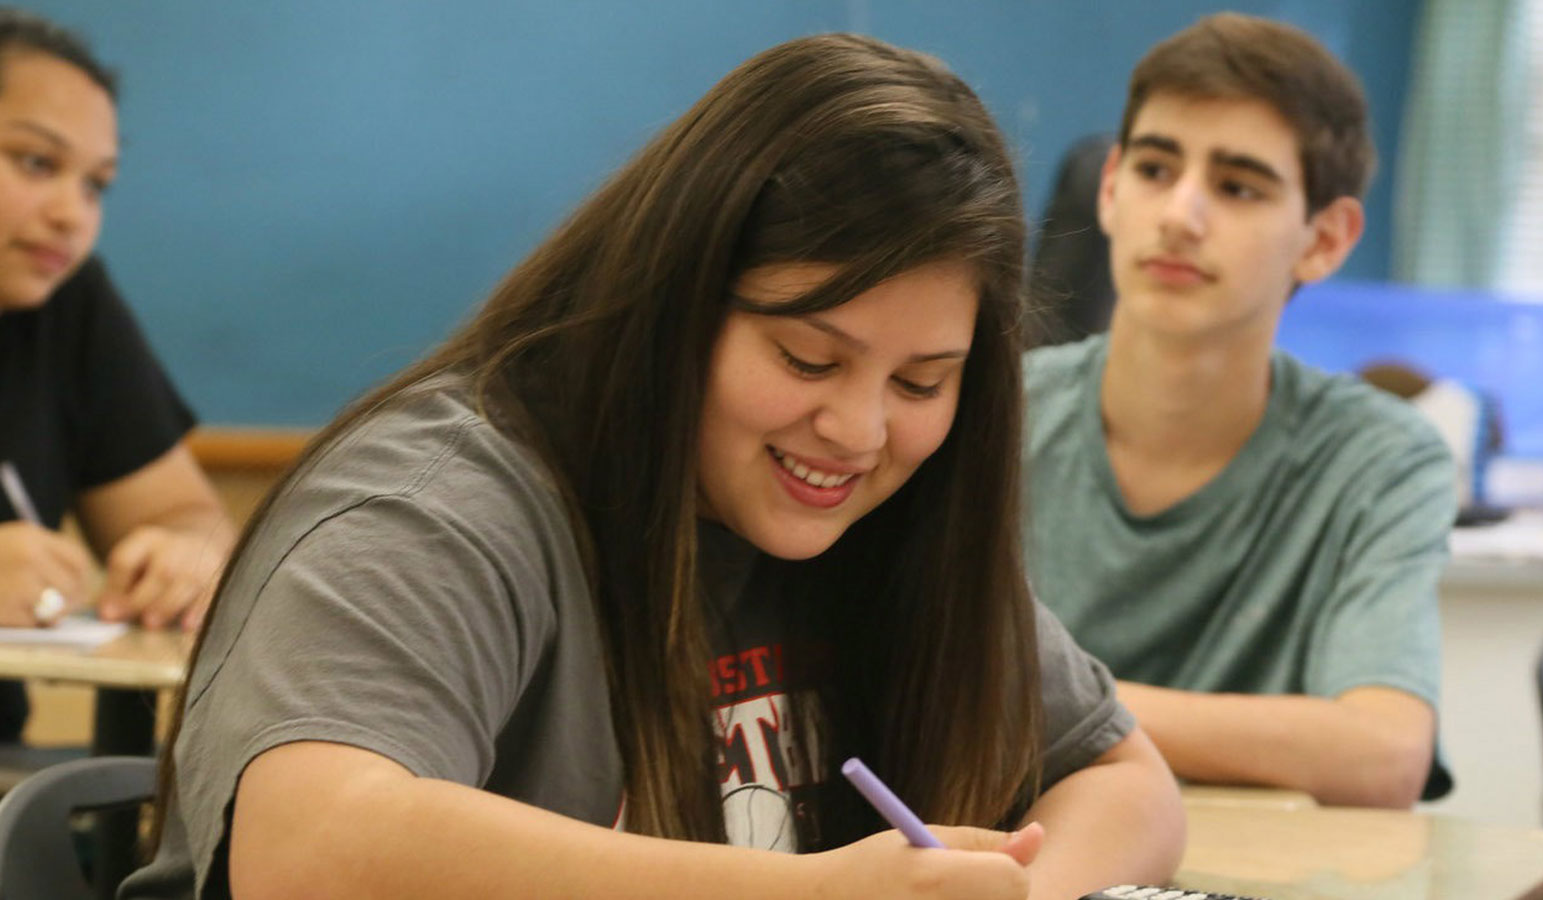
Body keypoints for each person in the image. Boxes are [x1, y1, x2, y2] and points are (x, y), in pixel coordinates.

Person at [125, 33, 1185, 900]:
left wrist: (1014, 892)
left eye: (921, 384)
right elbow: (305, 852)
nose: (858, 431)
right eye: (805, 357)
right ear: (679, 305)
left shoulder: (899, 521)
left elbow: (1123, 780)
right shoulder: (443, 499)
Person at [1021, 13, 1456, 808]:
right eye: (1155, 169)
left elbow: (1385, 753)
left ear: (1325, 239)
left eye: (1237, 187)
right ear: (1111, 189)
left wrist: (1039, 705)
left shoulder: (1383, 460)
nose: (1180, 215)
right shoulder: (997, 419)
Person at [0, 9, 234, 740]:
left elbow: (188, 518)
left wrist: (186, 557)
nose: (73, 214)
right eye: (37, 163)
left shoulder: (69, 302)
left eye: (96, 184)